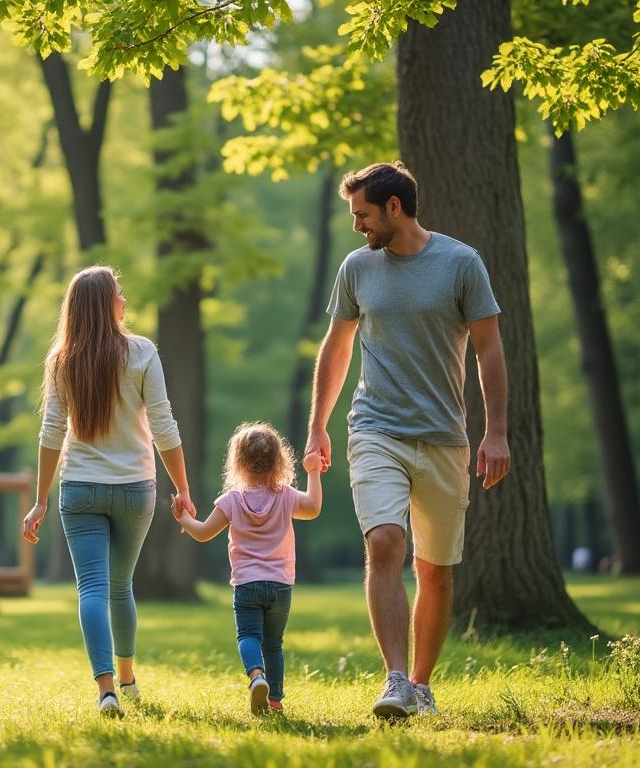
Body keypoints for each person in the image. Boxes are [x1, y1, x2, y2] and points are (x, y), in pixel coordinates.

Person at [304, 162, 510, 719]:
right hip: (375, 429)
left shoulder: (461, 263)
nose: (357, 227)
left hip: (445, 437)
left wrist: (496, 432)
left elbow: (490, 349)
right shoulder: (356, 269)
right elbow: (337, 347)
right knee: (384, 543)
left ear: (394, 208)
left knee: (435, 569)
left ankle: (420, 685)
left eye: (363, 214)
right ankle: (394, 680)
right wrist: (317, 424)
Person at [22, 265, 196, 718]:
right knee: (121, 586)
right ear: (105, 303)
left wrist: (40, 499)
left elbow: (51, 433)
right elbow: (164, 425)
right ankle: (128, 678)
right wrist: (183, 488)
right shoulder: (141, 353)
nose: (124, 298)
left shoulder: (62, 359)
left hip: (79, 489)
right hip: (136, 489)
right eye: (119, 292)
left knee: (93, 589)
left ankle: (106, 691)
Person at [173, 422, 322, 715]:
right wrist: (314, 471)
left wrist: (183, 520)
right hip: (280, 584)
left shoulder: (233, 500)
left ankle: (256, 677)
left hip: (246, 584)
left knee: (248, 636)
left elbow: (203, 532)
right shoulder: (286, 495)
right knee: (274, 644)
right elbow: (314, 507)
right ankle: (275, 701)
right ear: (279, 461)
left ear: (238, 462)